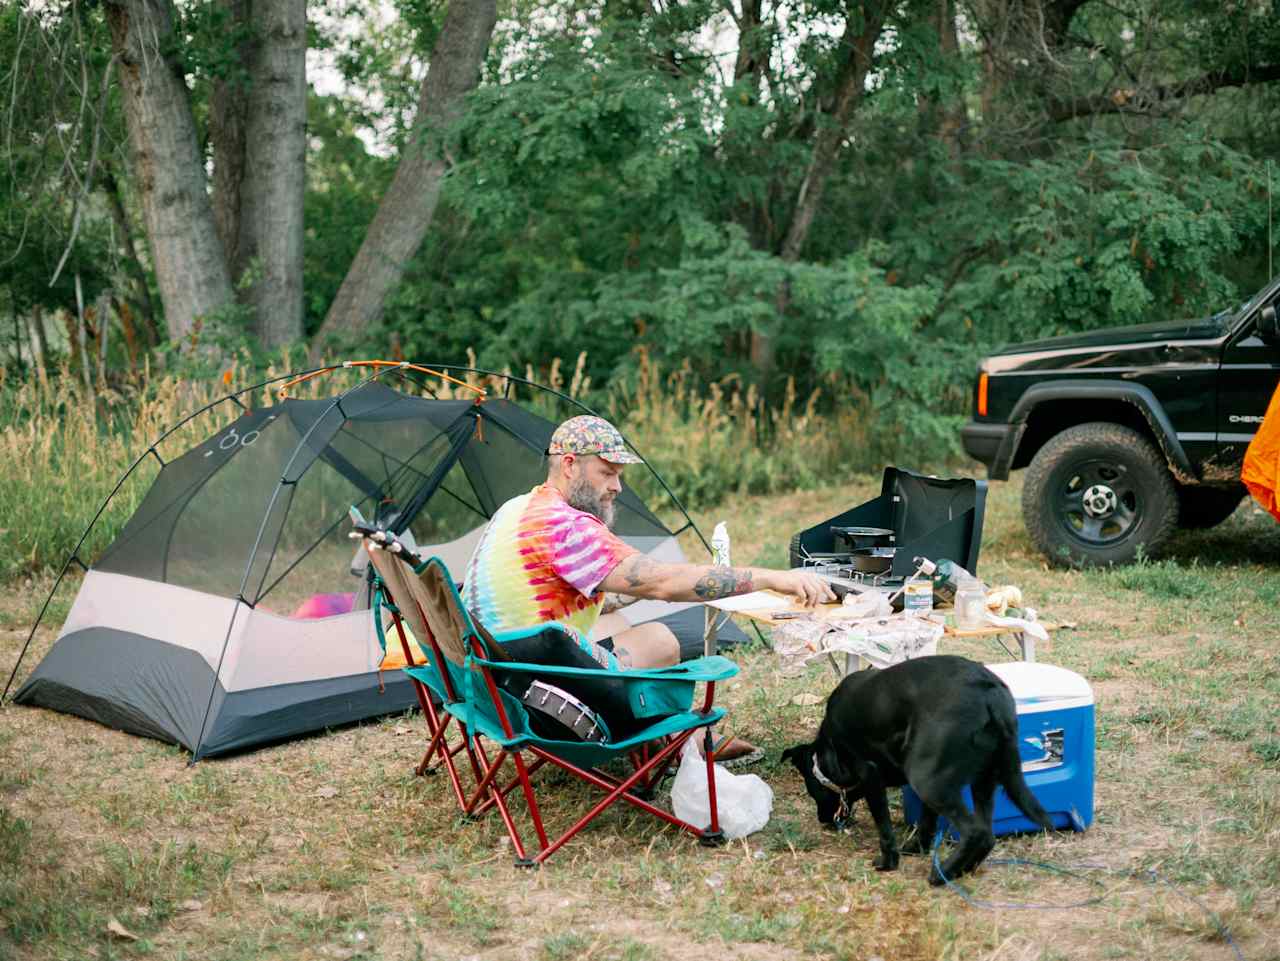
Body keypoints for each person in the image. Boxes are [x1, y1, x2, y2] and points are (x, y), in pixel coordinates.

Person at [462, 414, 834, 759]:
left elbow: (578, 588)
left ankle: (671, 736)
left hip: (490, 677)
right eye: (607, 473)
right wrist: (772, 578)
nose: (617, 487)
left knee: (620, 627)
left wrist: (649, 585)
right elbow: (663, 584)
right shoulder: (566, 525)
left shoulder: (519, 507)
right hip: (541, 696)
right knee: (659, 640)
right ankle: (674, 739)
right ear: (570, 464)